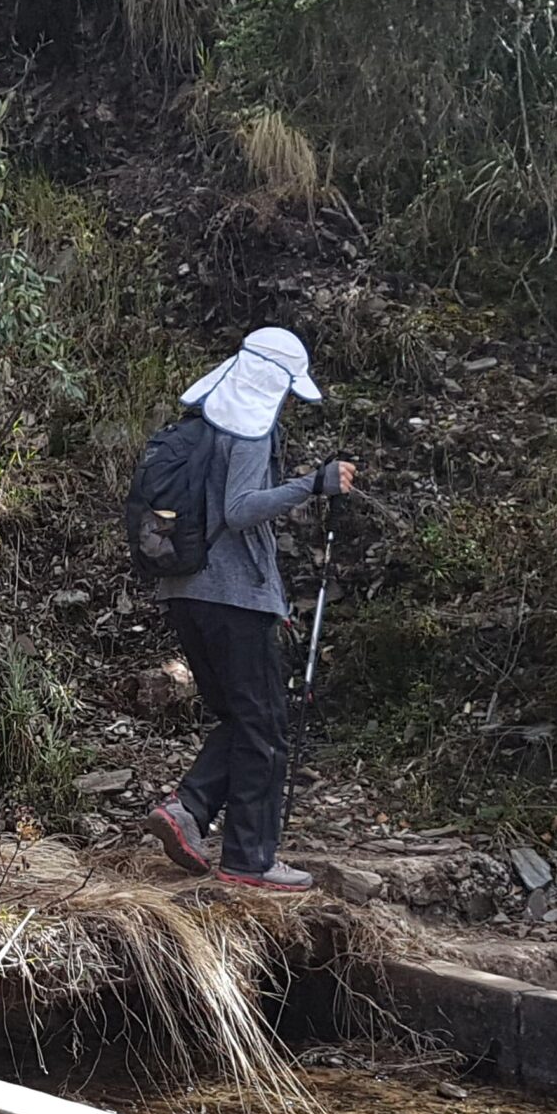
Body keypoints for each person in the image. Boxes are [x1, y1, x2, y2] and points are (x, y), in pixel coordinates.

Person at [145, 327, 352, 893]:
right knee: (263, 723)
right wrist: (312, 485)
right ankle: (249, 859)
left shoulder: (201, 424)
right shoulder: (250, 429)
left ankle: (187, 810)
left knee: (240, 716)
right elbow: (239, 511)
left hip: (184, 591)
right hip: (235, 595)